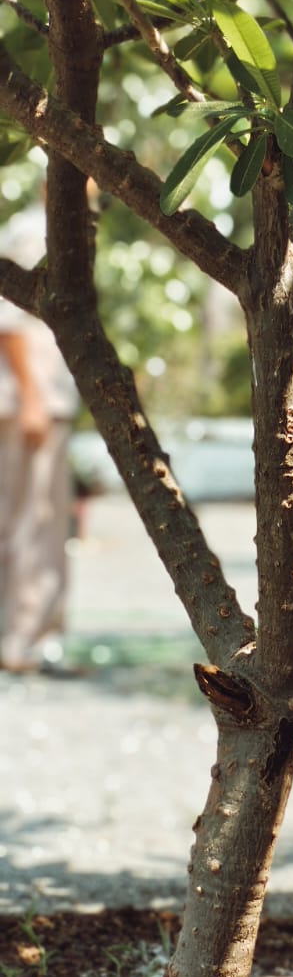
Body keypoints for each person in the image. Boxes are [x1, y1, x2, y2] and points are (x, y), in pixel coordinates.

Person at [0, 263, 80, 675]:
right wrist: (31, 397)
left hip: (39, 406)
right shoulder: (36, 235)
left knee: (35, 523)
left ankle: (29, 640)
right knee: (34, 523)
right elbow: (8, 321)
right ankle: (22, 643)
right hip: (32, 408)